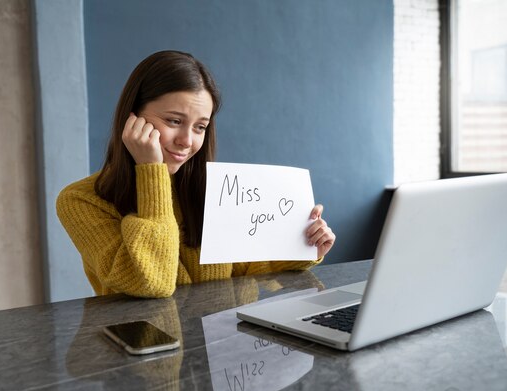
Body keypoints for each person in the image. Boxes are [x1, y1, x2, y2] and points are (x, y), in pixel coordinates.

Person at [56, 50, 336, 298]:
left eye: (200, 127)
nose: (187, 141)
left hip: (224, 347)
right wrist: (152, 173)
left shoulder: (211, 188)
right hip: (148, 351)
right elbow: (150, 283)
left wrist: (302, 246)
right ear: (132, 119)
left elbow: (244, 269)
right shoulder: (80, 200)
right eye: (174, 121)